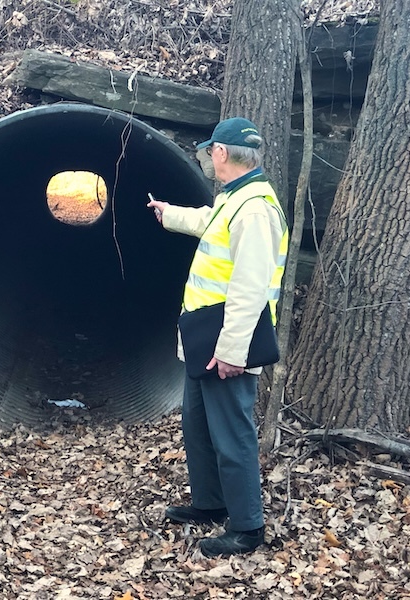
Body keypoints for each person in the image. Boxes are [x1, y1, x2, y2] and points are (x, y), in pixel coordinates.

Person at [146, 117, 288, 557]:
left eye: (210, 152)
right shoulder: (236, 200)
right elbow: (211, 223)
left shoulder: (257, 210)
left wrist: (232, 353)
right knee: (198, 426)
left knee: (232, 435)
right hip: (203, 339)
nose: (208, 158)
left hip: (226, 345)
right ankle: (210, 504)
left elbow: (250, 290)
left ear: (222, 154)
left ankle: (247, 527)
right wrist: (170, 215)